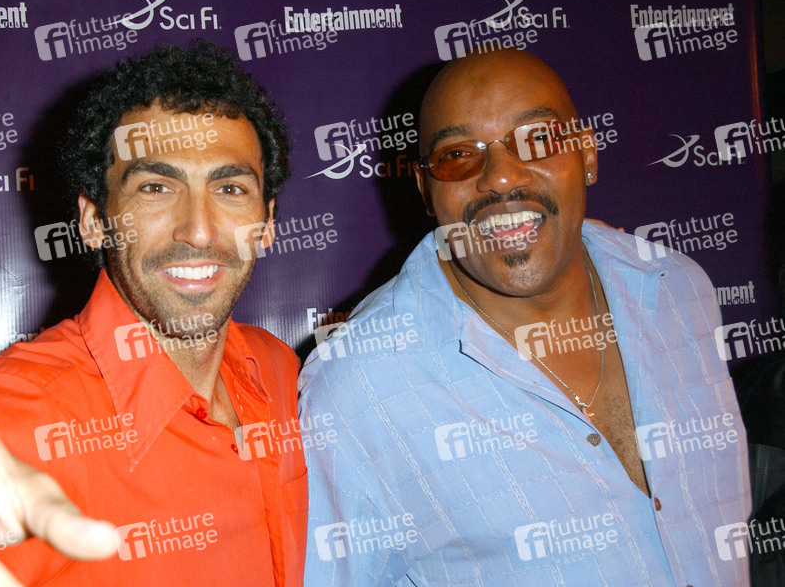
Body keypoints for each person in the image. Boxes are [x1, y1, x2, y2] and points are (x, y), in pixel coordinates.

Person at [299, 48, 751, 585]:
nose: (501, 177)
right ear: (426, 190)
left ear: (587, 154)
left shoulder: (677, 289)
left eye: (537, 139)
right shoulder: (357, 386)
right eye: (457, 155)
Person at [0, 40, 307, 586]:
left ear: (267, 222)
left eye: (230, 188)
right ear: (94, 221)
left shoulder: (277, 368)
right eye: (155, 187)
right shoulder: (10, 424)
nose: (198, 229)